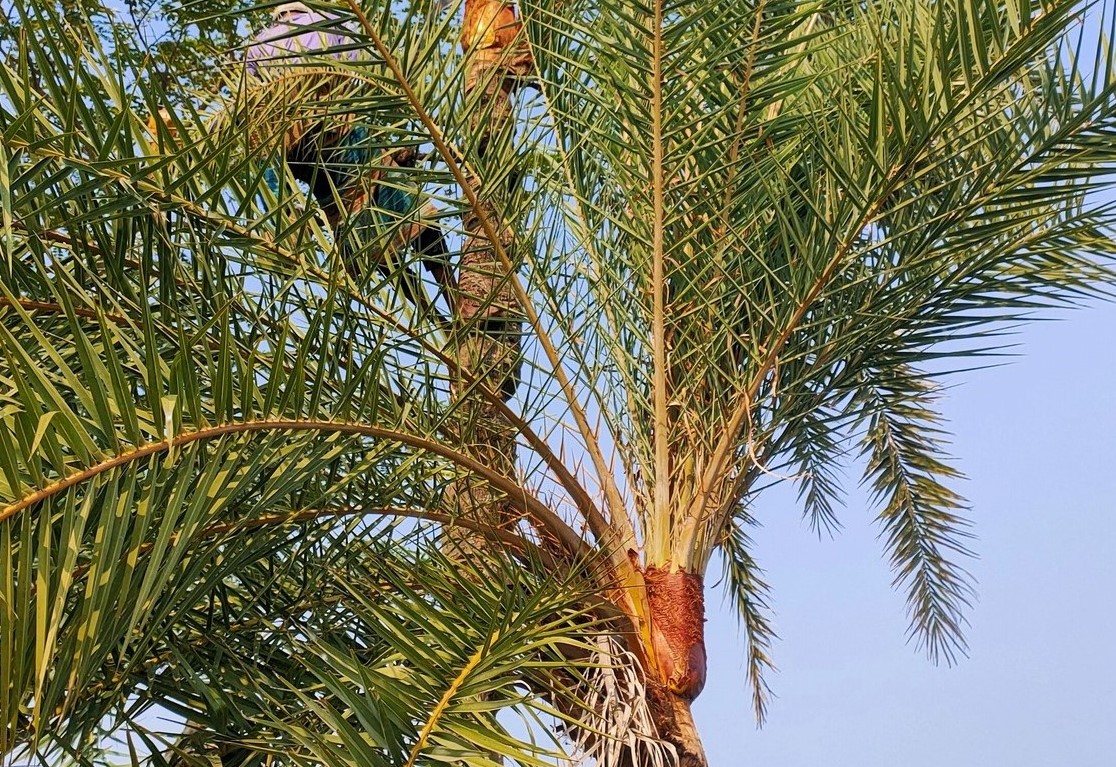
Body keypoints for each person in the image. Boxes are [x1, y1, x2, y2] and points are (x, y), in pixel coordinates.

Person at [244, 2, 452, 319]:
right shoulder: (327, 23)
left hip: (304, 156)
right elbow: (356, 68)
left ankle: (432, 316)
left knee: (366, 239)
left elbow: (254, 116)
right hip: (340, 136)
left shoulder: (255, 47)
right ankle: (455, 298)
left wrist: (280, 198)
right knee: (415, 215)